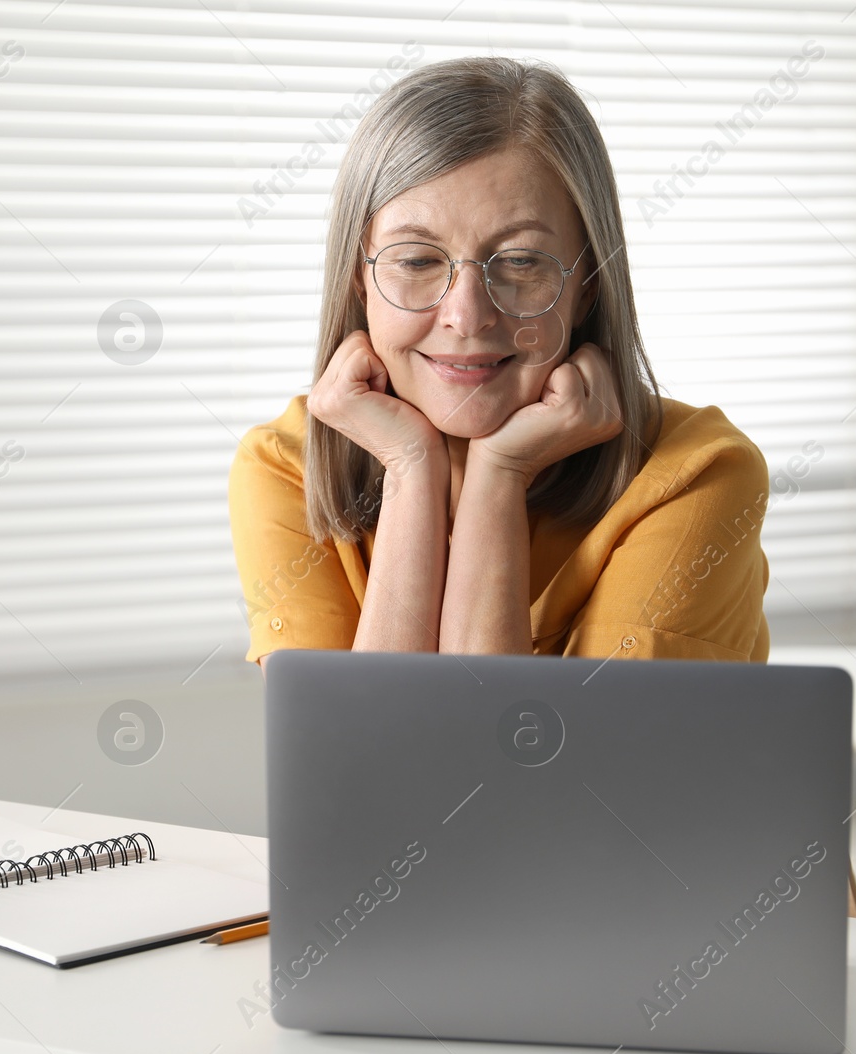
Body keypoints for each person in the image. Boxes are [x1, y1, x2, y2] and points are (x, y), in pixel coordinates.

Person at [229, 56, 770, 677]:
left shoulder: (699, 473)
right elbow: (358, 764)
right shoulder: (283, 467)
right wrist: (412, 471)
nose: (467, 315)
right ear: (360, 279)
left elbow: (530, 766)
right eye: (415, 261)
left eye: (519, 262)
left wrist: (500, 475)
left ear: (587, 284)